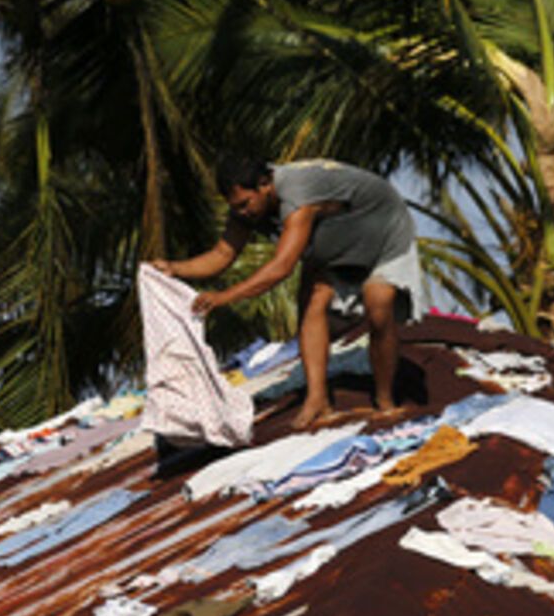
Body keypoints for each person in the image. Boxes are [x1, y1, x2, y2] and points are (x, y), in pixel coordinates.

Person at [155, 156, 422, 429]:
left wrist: (224, 297)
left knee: (378, 305)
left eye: (246, 204)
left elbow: (282, 267)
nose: (243, 213)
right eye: (236, 208)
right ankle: (318, 401)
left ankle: (385, 400)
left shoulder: (297, 194)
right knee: (311, 303)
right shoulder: (247, 208)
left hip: (381, 232)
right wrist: (174, 268)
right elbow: (222, 254)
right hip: (332, 239)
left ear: (264, 184)